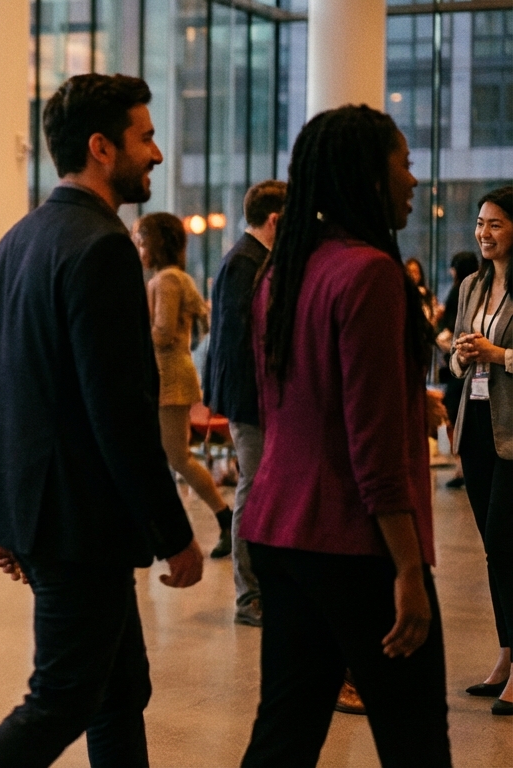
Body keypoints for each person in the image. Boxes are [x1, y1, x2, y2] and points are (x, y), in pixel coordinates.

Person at [0, 73, 204, 768]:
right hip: (80, 522)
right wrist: (174, 533)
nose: (156, 154)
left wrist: (11, 517)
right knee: (64, 695)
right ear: (102, 147)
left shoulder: (15, 243)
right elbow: (120, 411)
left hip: (48, 512)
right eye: (146, 136)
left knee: (120, 687)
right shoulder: (101, 248)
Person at [239, 104, 449, 767]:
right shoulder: (371, 274)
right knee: (415, 737)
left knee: (285, 731)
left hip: (280, 530)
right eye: (404, 163)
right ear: (367, 171)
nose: (414, 181)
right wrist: (410, 570)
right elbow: (375, 445)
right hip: (357, 545)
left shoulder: (285, 273)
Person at [203, 179, 285, 626]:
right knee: (252, 492)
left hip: (256, 397)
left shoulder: (252, 258)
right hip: (250, 399)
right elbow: (240, 342)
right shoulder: (245, 262)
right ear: (275, 219)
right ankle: (248, 596)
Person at [134, 212, 232, 558]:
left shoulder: (167, 281)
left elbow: (161, 333)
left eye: (142, 241)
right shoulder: (169, 278)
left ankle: (225, 517)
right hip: (168, 376)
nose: (139, 248)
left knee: (178, 457)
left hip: (169, 377)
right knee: (169, 456)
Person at [450, 186, 513, 714]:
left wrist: (499, 353)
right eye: (479, 223)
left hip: (512, 432)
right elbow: (453, 356)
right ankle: (505, 657)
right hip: (474, 428)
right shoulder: (472, 284)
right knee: (495, 550)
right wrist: (464, 353)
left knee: (506, 542)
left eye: (495, 224)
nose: (483, 233)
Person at [438, 251, 479, 489]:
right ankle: (461, 466)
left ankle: (461, 466)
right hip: (464, 366)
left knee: (455, 415)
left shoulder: (461, 291)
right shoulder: (473, 289)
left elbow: (452, 328)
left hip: (462, 366)